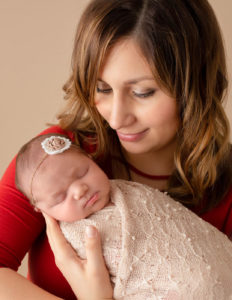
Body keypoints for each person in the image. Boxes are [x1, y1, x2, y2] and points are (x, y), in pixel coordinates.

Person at [0, 0, 232, 299]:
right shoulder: (53, 159)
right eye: (102, 89)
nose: (116, 117)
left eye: (142, 92)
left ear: (197, 85)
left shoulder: (225, 184)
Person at [14, 133, 232, 299]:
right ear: (40, 209)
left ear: (92, 160)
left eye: (83, 173)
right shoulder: (74, 234)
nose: (79, 190)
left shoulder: (126, 189)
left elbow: (173, 219)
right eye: (60, 196)